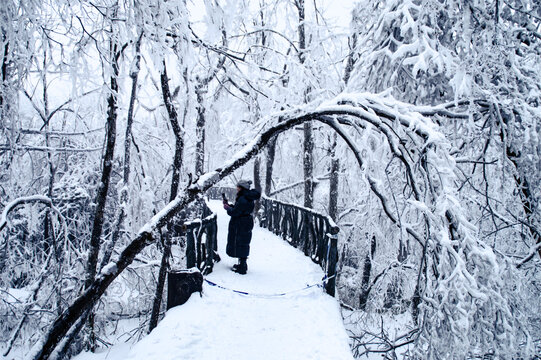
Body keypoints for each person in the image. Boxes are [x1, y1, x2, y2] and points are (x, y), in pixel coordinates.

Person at [223, 180, 261, 274]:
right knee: (243, 242)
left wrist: (228, 208)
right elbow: (240, 209)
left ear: (241, 188)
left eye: (238, 186)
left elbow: (236, 212)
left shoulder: (243, 198)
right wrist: (231, 206)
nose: (237, 188)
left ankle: (242, 267)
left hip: (240, 223)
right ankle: (242, 264)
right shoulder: (247, 196)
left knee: (239, 242)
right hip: (246, 221)